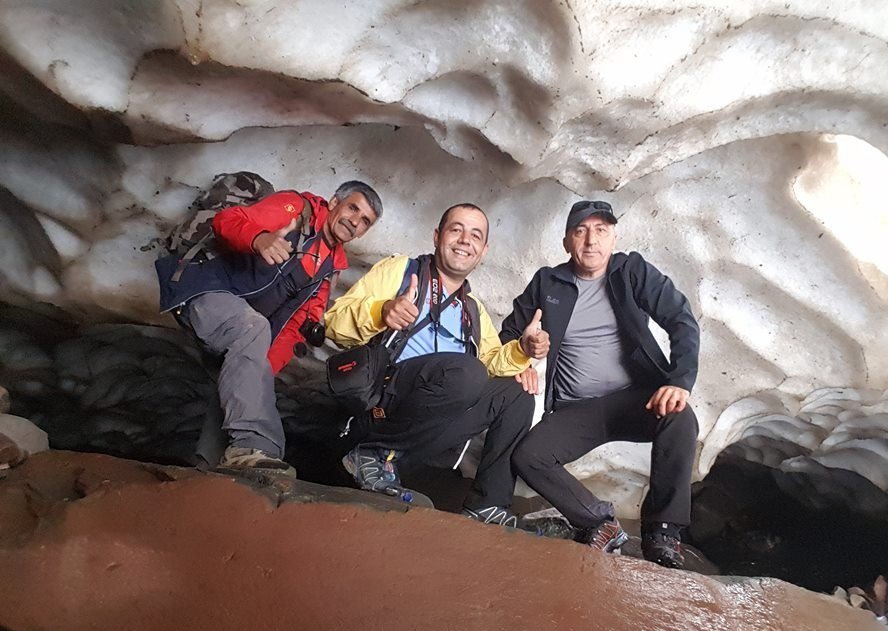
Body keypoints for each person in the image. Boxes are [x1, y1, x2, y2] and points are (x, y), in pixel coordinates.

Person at [501, 200, 700, 567]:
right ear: (566, 242)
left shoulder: (632, 272)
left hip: (634, 400)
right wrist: (525, 350)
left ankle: (663, 534)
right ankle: (599, 522)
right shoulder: (549, 282)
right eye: (581, 231)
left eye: (601, 231)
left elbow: (681, 319)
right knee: (529, 456)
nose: (591, 241)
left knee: (681, 417)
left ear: (613, 238)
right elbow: (510, 334)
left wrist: (680, 380)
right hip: (577, 408)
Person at [324, 203, 546, 525]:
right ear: (437, 236)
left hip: (428, 428)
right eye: (456, 229)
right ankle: (370, 453)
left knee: (516, 394)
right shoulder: (400, 272)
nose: (464, 240)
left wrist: (522, 350)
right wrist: (382, 311)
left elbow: (493, 364)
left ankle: (488, 503)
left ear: (483, 251)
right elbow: (334, 324)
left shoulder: (472, 310)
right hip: (379, 411)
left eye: (475, 235)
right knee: (467, 372)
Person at [156, 181, 383, 476]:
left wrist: (263, 369)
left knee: (247, 377)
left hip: (242, 325)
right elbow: (228, 221)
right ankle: (255, 447)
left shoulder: (330, 265)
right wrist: (259, 238)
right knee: (252, 331)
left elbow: (297, 324)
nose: (355, 221)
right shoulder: (295, 209)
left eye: (365, 221)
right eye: (353, 208)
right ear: (334, 202)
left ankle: (209, 468)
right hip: (204, 294)